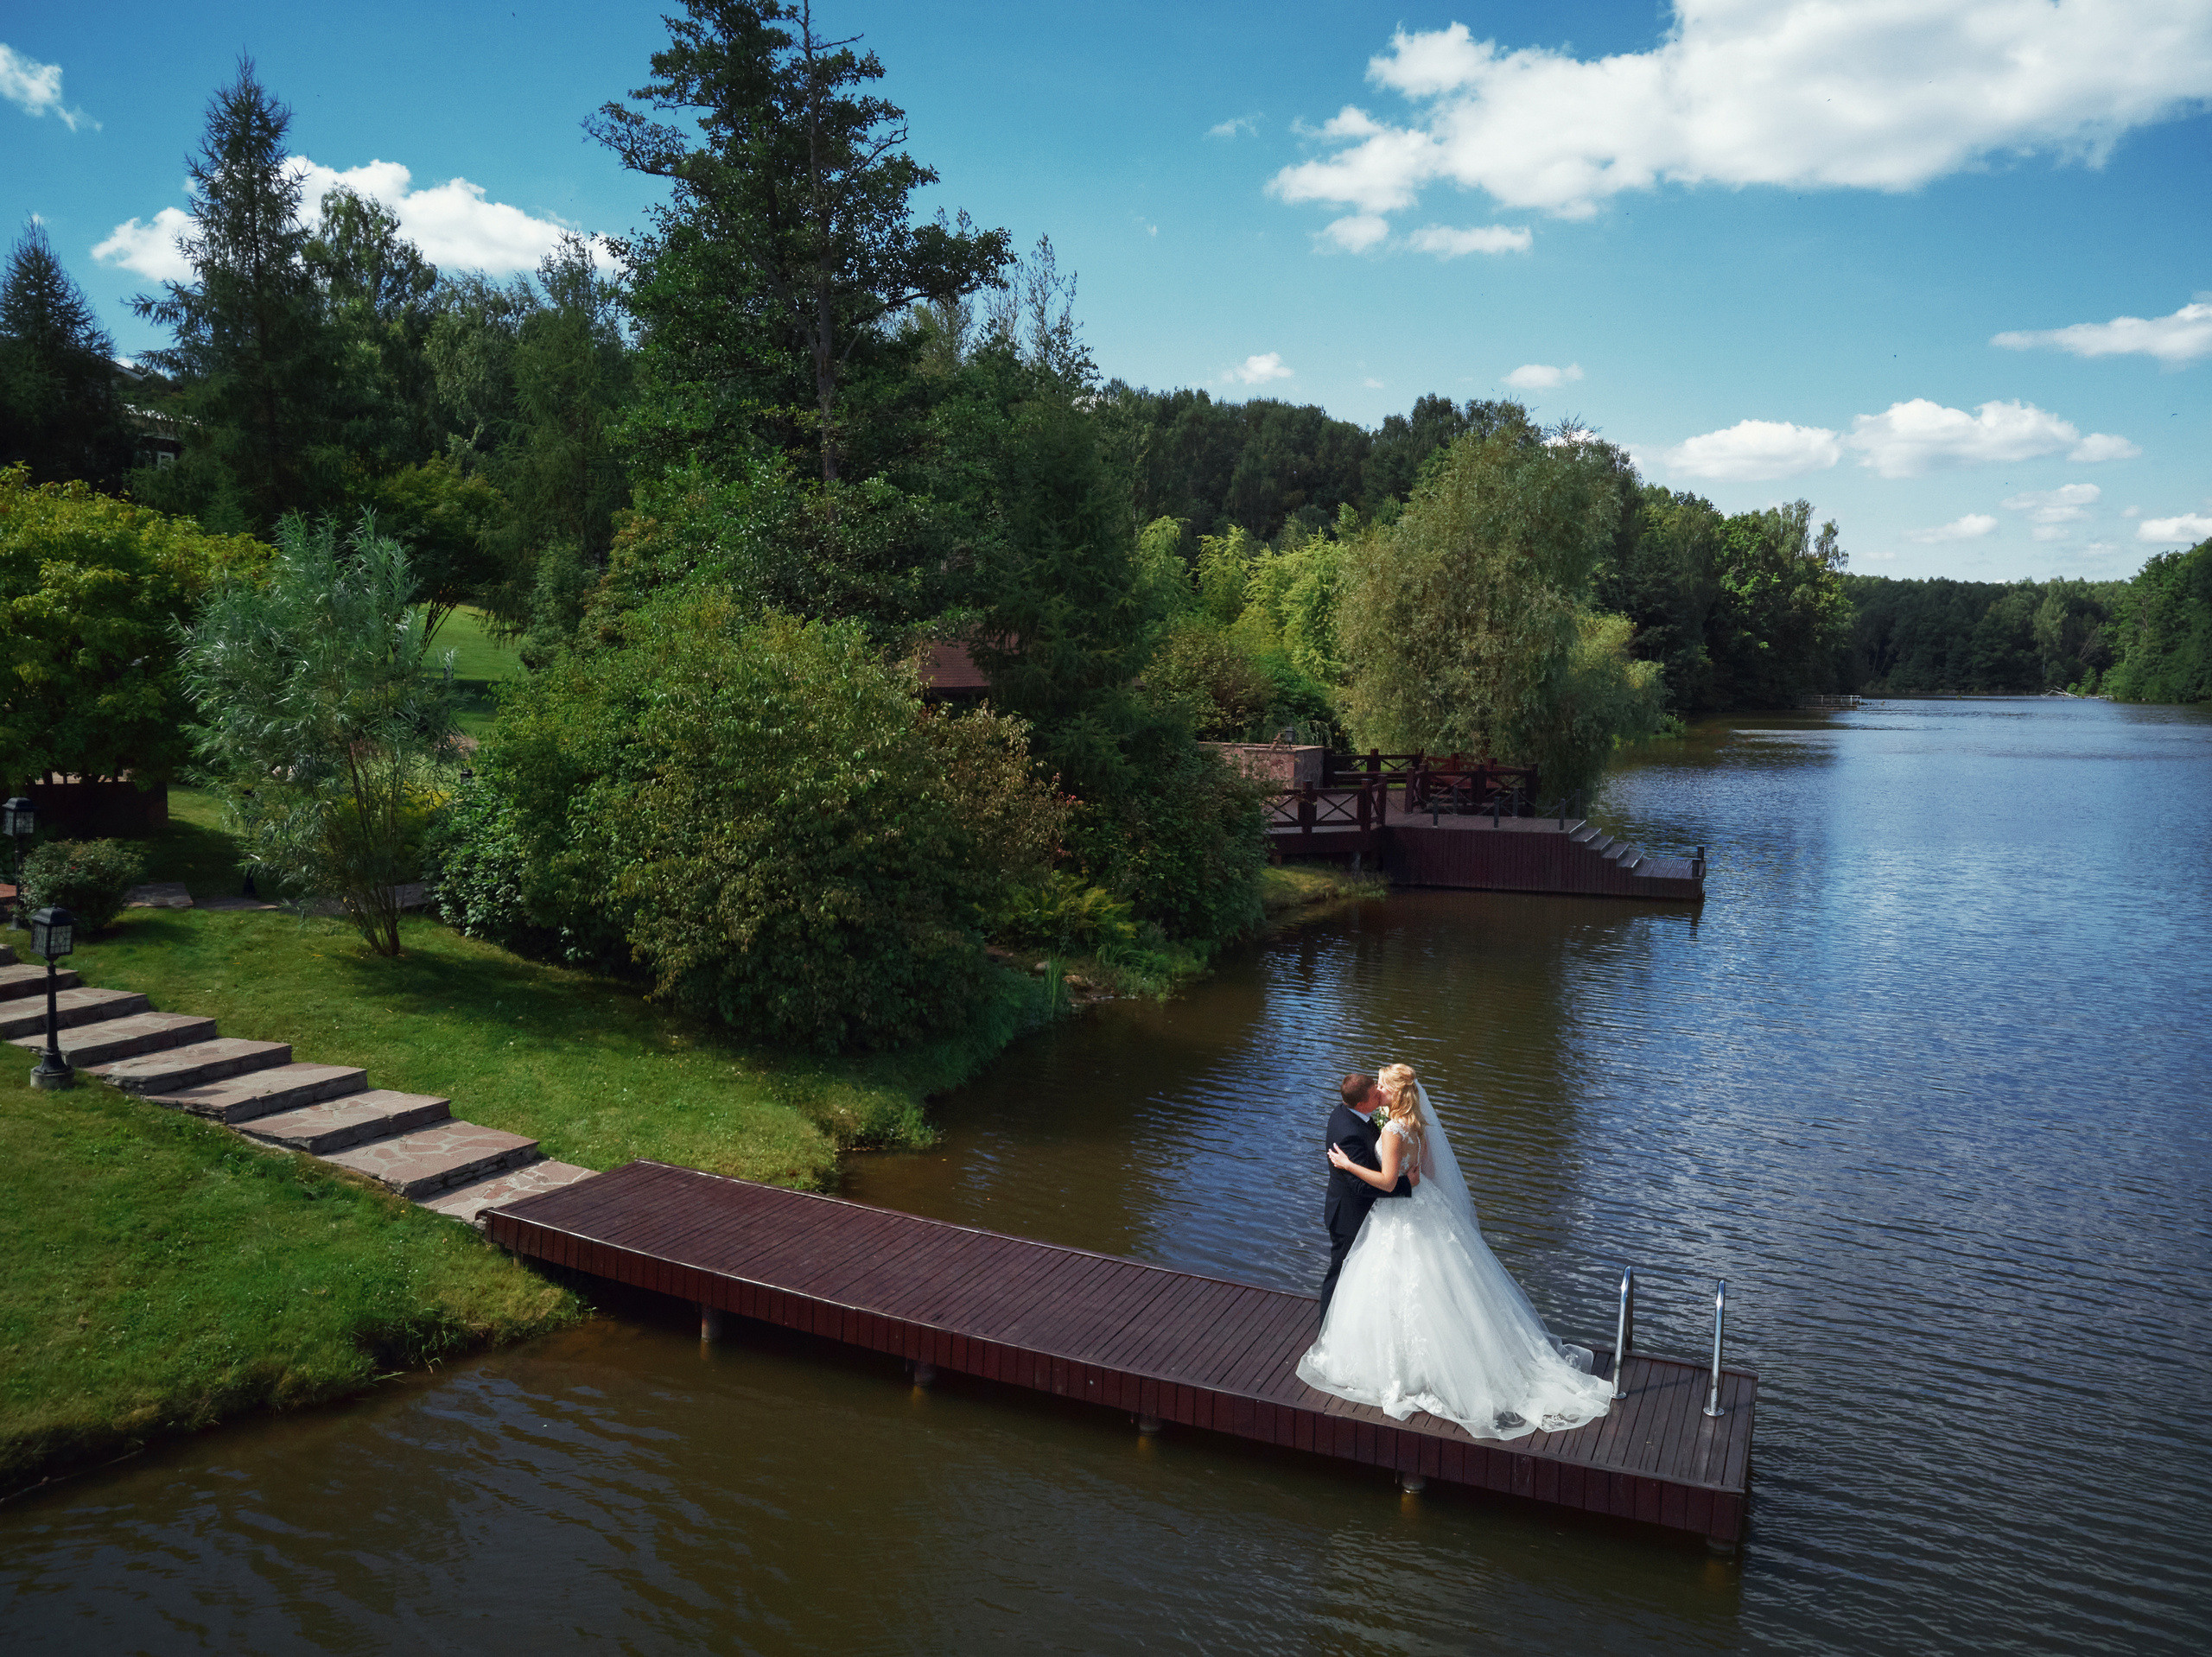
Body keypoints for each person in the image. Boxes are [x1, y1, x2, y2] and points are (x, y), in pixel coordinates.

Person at [1298, 1062, 1613, 1441]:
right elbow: (1426, 1172)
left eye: (1383, 1088)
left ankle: (1409, 1367)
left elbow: (1386, 1180)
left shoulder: (1394, 1128)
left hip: (1399, 1210)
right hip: (1424, 1206)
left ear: (1393, 1094)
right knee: (1429, 1282)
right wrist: (1410, 1180)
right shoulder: (1415, 1125)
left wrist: (1351, 1165)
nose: (1379, 1092)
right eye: (1376, 1089)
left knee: (1399, 1281)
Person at [1319, 1071, 1412, 1317]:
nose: (1379, 1094)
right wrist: (1405, 1184)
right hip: (1349, 1217)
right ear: (1361, 1104)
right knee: (1339, 1276)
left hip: (1364, 1211)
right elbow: (1359, 1187)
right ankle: (1326, 1333)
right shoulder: (1348, 1132)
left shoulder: (1348, 1111)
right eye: (1374, 1095)